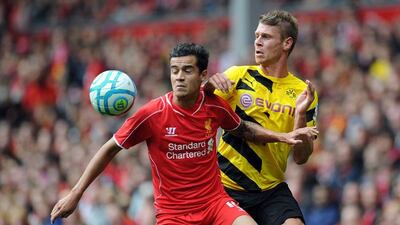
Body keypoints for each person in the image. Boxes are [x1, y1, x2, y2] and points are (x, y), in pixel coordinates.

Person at [50, 43, 318, 225]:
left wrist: (283, 137)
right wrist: (76, 193)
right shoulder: (151, 114)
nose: (178, 77)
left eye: (187, 70)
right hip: (173, 214)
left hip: (215, 203)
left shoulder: (214, 106)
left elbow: (244, 129)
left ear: (203, 75)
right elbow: (109, 148)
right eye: (174, 70)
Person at [205, 10, 319, 225]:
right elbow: (194, 107)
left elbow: (301, 157)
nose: (257, 42)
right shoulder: (237, 75)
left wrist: (300, 115)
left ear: (287, 43)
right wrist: (208, 87)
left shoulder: (303, 92)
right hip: (226, 186)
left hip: (270, 189)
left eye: (266, 37)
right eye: (257, 36)